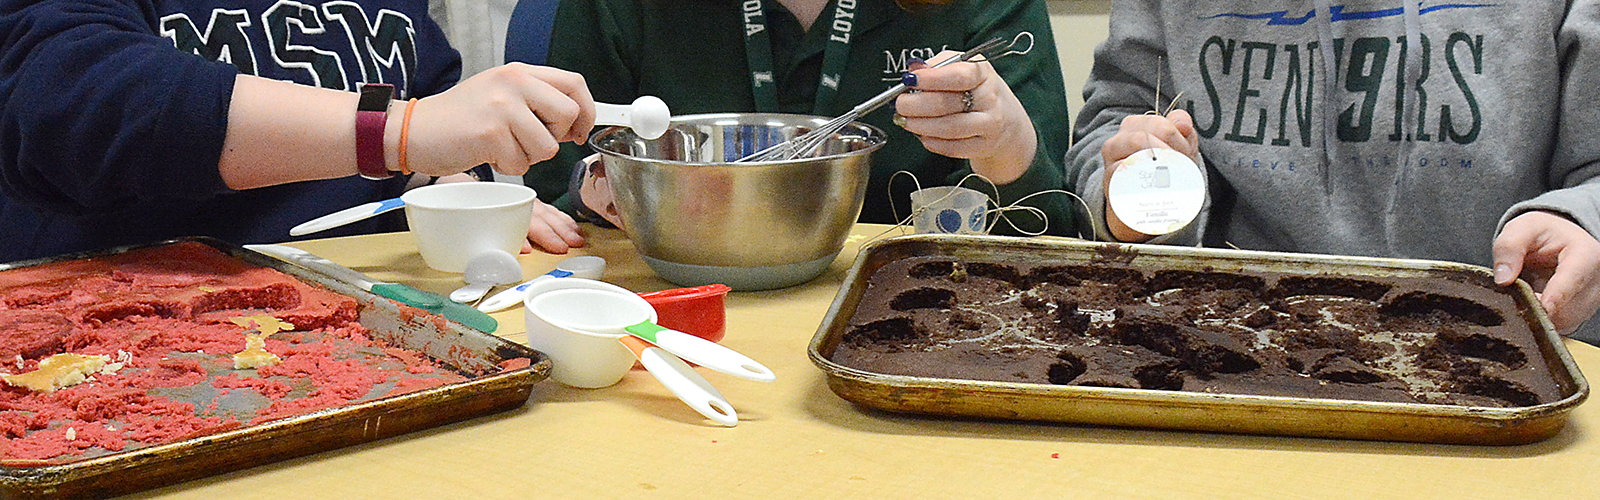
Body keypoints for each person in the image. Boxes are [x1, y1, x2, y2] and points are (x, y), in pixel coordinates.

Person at [1065, 1, 1600, 343]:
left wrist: (1584, 220)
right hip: (1230, 348)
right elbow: (1112, 124)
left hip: (1503, 348)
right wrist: (1126, 202)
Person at [0, 0, 594, 262]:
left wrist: (450, 181)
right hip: (124, 334)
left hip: (374, 319)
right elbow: (65, 100)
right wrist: (402, 129)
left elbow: (427, 90)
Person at [518, 0, 1075, 236]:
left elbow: (1050, 229)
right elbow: (553, 195)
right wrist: (591, 190)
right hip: (671, 312)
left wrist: (1010, 152)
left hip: (915, 314)